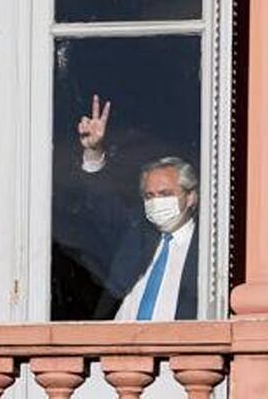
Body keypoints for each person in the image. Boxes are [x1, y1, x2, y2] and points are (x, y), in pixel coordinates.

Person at [66, 95, 201, 321]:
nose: (156, 201)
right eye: (149, 195)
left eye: (165, 194)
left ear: (190, 197)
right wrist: (93, 154)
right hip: (119, 348)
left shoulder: (206, 247)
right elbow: (102, 208)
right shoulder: (138, 235)